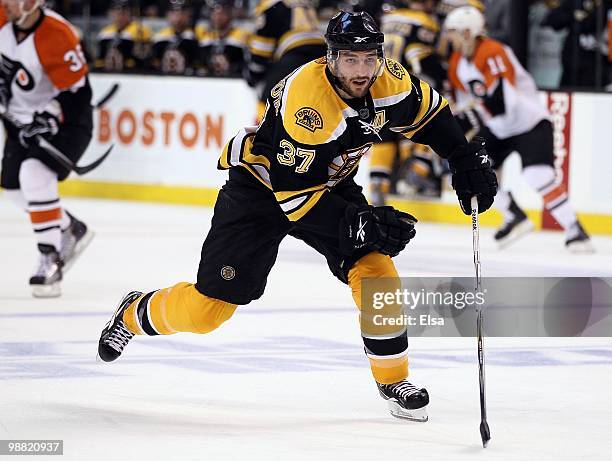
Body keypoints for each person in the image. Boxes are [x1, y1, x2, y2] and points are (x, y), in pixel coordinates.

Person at [97, 11, 497, 422]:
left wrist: (462, 158)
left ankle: (394, 379)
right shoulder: (308, 102)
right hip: (262, 190)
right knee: (207, 312)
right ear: (330, 59)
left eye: (367, 58)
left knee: (376, 268)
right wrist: (359, 223)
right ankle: (133, 311)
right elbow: (294, 198)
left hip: (327, 182)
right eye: (349, 59)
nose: (360, 70)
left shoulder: (387, 77)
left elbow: (430, 115)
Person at [445, 6, 593, 251]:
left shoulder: (492, 51)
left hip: (529, 122)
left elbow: (503, 101)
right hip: (499, 127)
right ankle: (514, 215)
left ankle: (576, 230)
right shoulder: (457, 64)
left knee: (537, 175)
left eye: (453, 32)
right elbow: (464, 103)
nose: (449, 38)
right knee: (468, 169)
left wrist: (470, 118)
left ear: (468, 32)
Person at [0, 0, 94, 297]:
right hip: (21, 120)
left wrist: (49, 117)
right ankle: (70, 227)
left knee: (34, 173)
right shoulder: (2, 18)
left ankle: (49, 257)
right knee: (15, 189)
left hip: (69, 123)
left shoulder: (58, 35)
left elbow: (78, 94)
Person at [370, 0, 448, 205]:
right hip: (403, 84)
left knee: (382, 133)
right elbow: (420, 56)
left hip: (375, 85)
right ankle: (417, 169)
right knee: (432, 117)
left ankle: (378, 183)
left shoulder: (387, 17)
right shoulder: (425, 21)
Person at [247, 0, 326, 120]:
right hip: (322, 56)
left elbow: (261, 48)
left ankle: (259, 137)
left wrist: (253, 73)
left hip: (295, 56)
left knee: (268, 102)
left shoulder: (269, 4)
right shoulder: (304, 2)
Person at [95, 0, 153, 72]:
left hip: (134, 71)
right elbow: (99, 61)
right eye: (117, 13)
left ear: (130, 13)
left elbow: (145, 57)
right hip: (108, 72)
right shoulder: (104, 33)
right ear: (111, 13)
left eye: (124, 13)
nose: (120, 16)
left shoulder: (141, 30)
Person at [197, 0, 249, 77]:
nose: (218, 17)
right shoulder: (204, 37)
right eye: (214, 13)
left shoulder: (242, 36)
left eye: (222, 14)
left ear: (230, 15)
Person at [151, 0, 200, 75]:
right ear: (167, 15)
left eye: (182, 13)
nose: (178, 16)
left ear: (188, 16)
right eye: (173, 13)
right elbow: (154, 63)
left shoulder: (196, 36)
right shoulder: (159, 38)